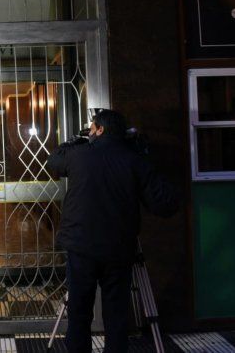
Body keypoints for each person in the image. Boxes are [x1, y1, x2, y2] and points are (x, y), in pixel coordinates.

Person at [47, 109, 178, 353]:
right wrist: (143, 155)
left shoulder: (79, 154)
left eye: (92, 127)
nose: (91, 130)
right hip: (119, 249)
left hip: (81, 247)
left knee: (79, 311)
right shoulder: (134, 159)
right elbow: (164, 203)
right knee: (116, 313)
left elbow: (53, 161)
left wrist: (75, 140)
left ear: (100, 130)